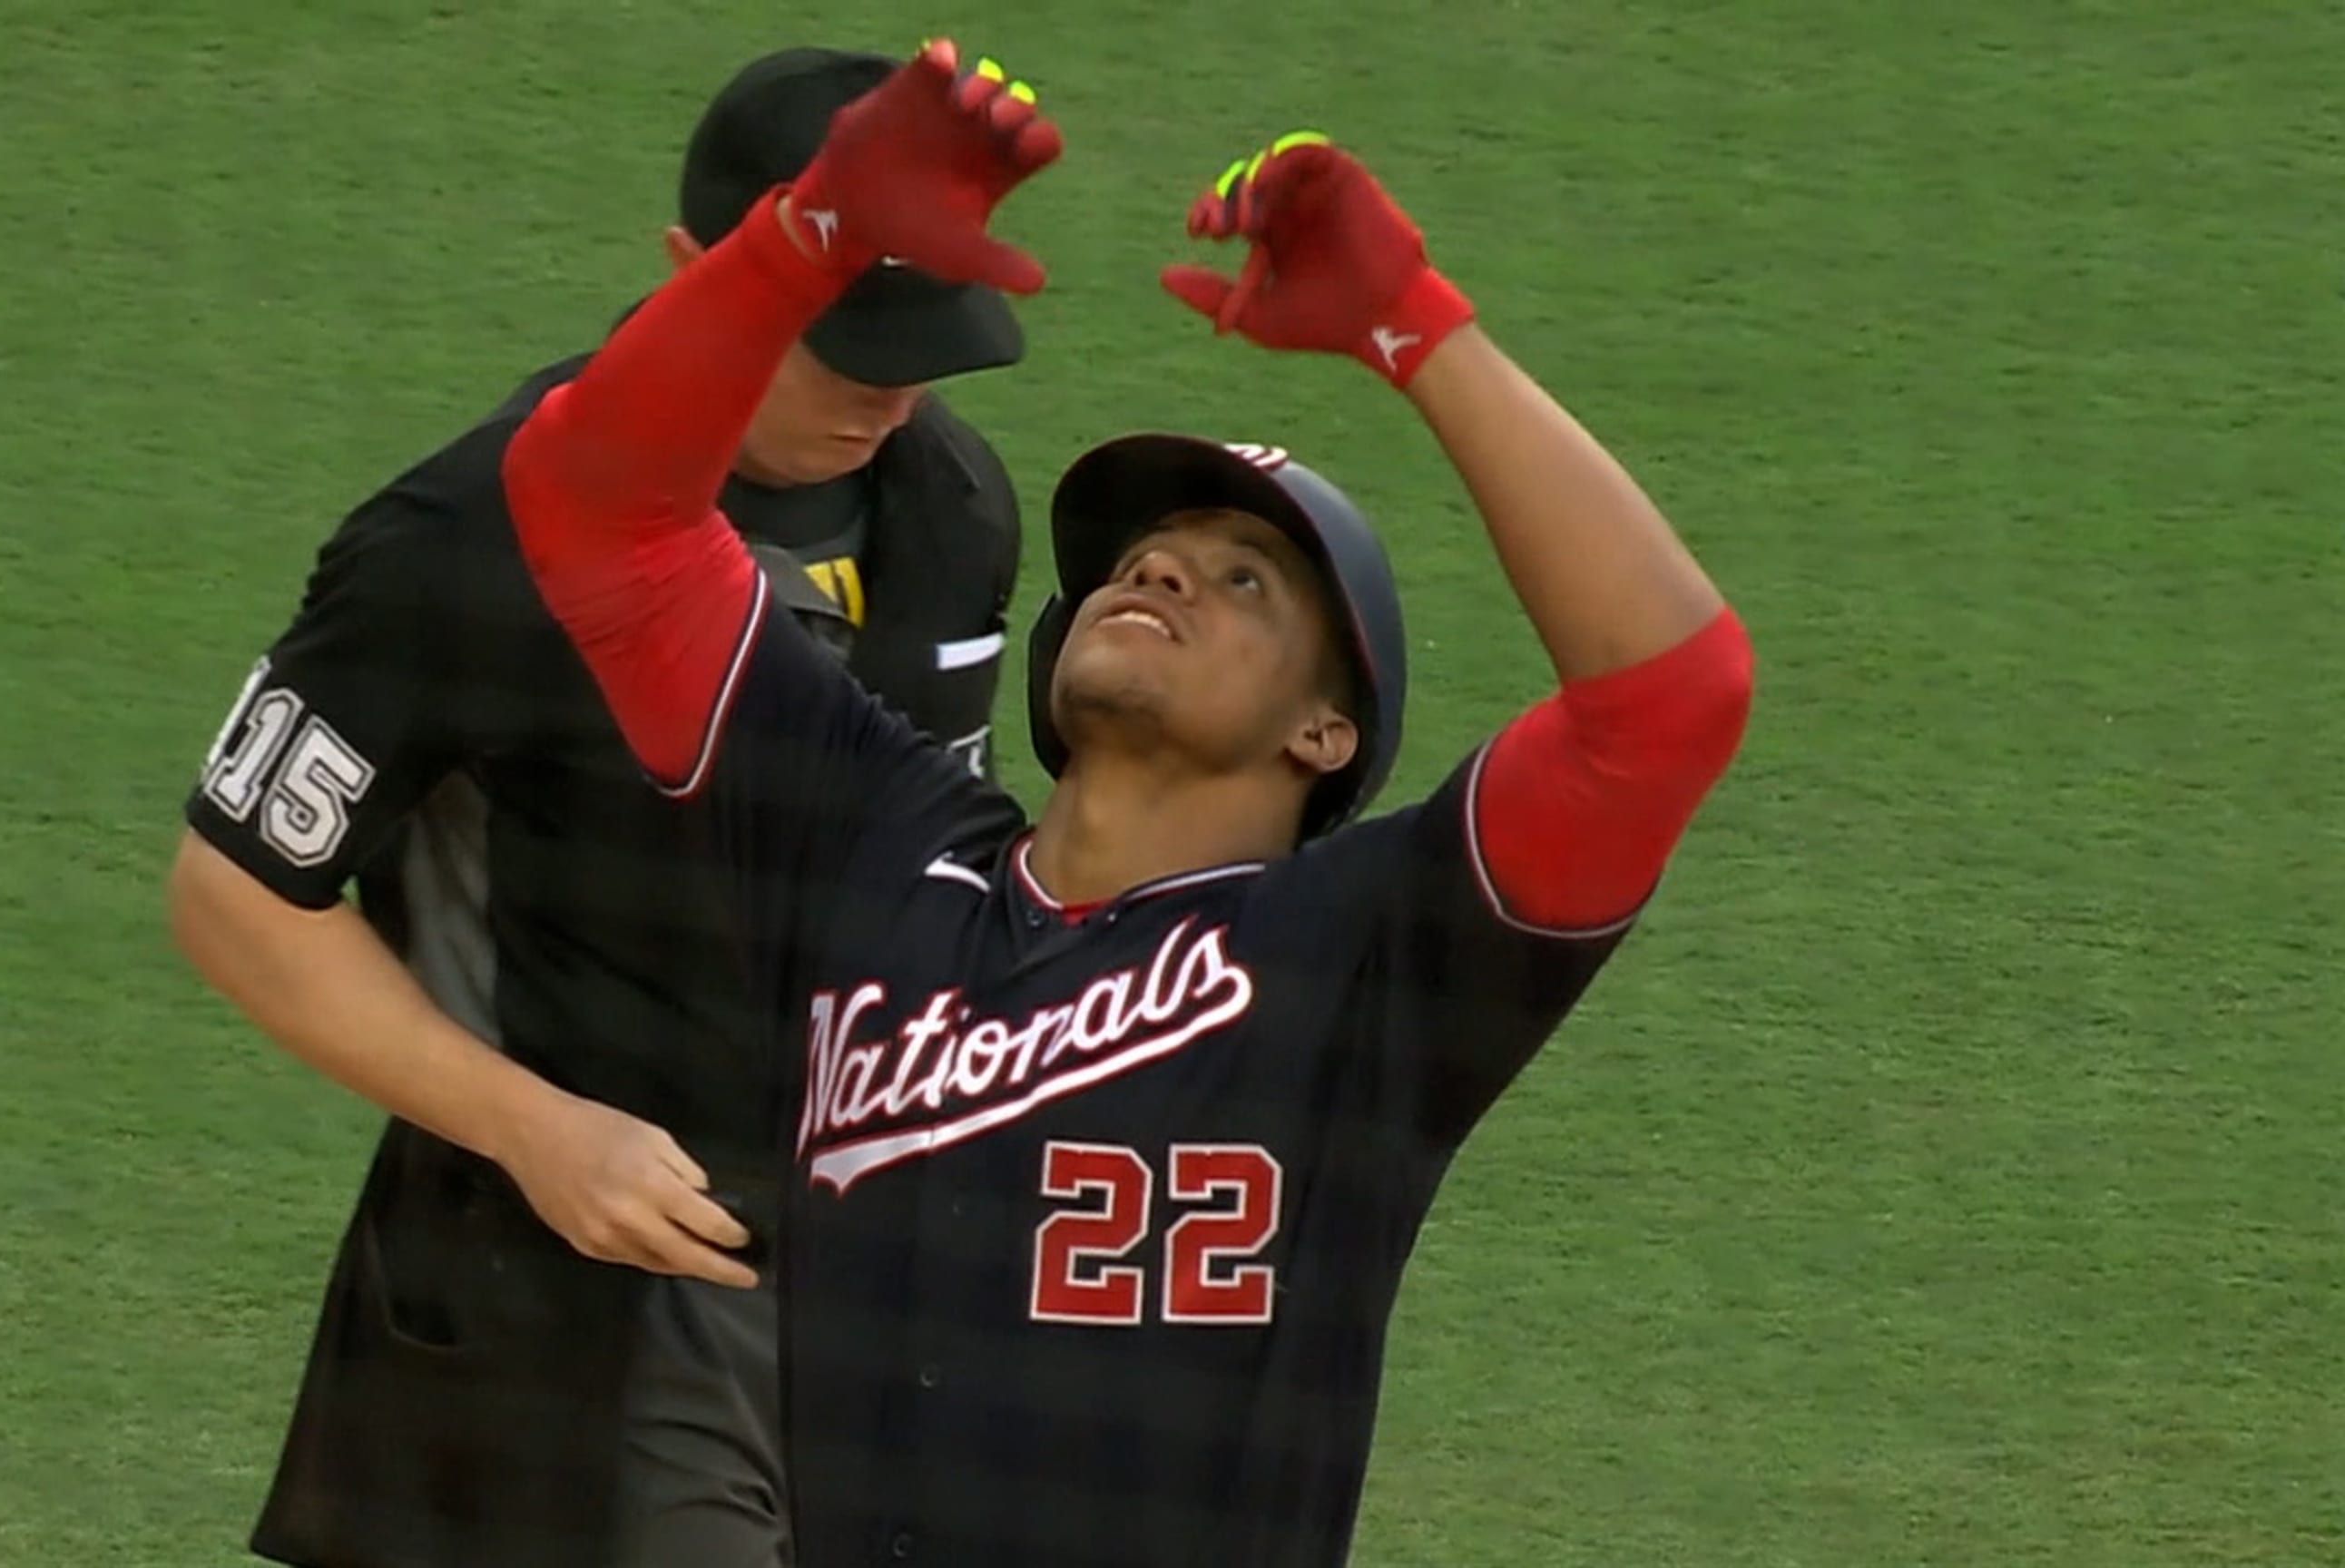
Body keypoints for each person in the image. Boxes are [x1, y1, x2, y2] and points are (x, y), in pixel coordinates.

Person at [496, 41, 1757, 1568]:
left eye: (1247, 580)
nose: (1162, 569)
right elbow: (590, 510)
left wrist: (1415, 330)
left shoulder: (1377, 958)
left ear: (1324, 730)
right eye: (1144, 555)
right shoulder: (869, 841)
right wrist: (808, 242)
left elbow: (1669, 700)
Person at [164, 44, 1033, 1568]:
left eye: (929, 349)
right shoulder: (465, 538)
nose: (894, 394)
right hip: (530, 1297)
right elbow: (231, 897)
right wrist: (538, 1133)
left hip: (844, 1299)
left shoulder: (950, 505)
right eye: (850, 345)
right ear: (699, 271)